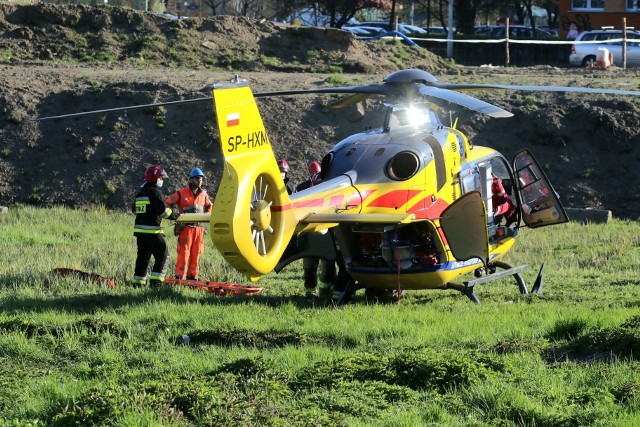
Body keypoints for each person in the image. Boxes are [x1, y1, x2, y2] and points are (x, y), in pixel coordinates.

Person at [132, 165, 180, 287]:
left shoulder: (141, 193)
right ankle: (156, 283)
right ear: (155, 178)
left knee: (143, 258)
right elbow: (163, 212)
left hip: (140, 233)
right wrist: (175, 215)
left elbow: (135, 210)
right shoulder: (156, 193)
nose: (162, 180)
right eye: (161, 178)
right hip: (153, 232)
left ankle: (138, 284)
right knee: (163, 255)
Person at [165, 168, 213, 280]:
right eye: (197, 179)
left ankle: (193, 276)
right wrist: (173, 214)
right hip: (185, 228)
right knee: (184, 253)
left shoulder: (204, 194)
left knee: (197, 252)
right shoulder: (181, 193)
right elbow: (168, 203)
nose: (199, 181)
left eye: (201, 179)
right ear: (191, 180)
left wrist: (207, 215)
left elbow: (210, 206)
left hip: (199, 229)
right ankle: (180, 276)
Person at [296, 161, 335, 298]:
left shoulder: (329, 193)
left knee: (328, 264)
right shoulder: (303, 192)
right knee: (310, 266)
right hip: (310, 235)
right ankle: (310, 292)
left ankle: (325, 290)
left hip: (325, 235)